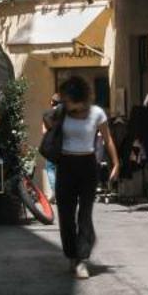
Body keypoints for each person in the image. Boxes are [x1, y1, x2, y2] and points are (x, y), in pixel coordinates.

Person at [44, 74, 120, 277]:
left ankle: (82, 260)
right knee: (66, 215)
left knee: (84, 214)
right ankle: (72, 255)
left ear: (80, 97)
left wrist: (116, 163)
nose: (65, 102)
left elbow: (108, 139)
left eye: (68, 99)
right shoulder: (62, 112)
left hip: (88, 165)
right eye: (64, 99)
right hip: (65, 164)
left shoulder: (97, 114)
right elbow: (46, 116)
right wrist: (56, 119)